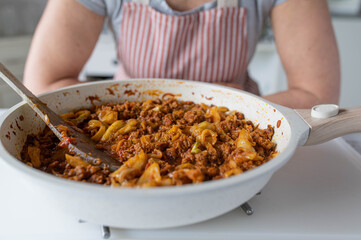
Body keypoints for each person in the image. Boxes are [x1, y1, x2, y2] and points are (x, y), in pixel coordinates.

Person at [23, 0, 340, 109]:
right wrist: (124, 117)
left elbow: (316, 95)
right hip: (124, 126)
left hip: (240, 125)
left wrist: (233, 109)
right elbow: (42, 88)